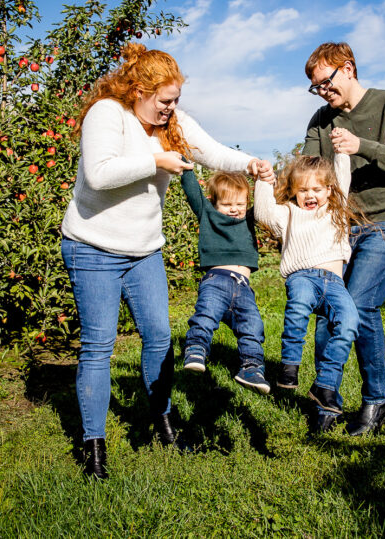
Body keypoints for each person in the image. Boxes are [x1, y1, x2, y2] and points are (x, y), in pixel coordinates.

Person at [60, 42, 273, 480]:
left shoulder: (172, 122)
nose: (171, 109)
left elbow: (213, 152)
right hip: (92, 246)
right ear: (137, 89)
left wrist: (250, 163)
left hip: (144, 250)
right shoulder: (107, 113)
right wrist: (154, 159)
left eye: (176, 100)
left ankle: (164, 423)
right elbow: (99, 173)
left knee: (159, 336)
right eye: (164, 100)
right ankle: (93, 447)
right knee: (99, 345)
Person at [301, 41, 385, 437]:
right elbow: (308, 169)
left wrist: (359, 145)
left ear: (347, 69)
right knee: (326, 306)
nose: (323, 92)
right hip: (338, 227)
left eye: (326, 83)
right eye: (316, 87)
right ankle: (326, 401)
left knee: (362, 304)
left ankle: (376, 400)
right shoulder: (321, 119)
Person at [253, 152, 362, 433]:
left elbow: (344, 178)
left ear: (329, 190)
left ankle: (325, 384)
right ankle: (289, 367)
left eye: (316, 189)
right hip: (302, 276)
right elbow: (262, 213)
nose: (309, 195)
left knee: (350, 323)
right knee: (298, 308)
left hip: (335, 283)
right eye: (302, 190)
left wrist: (342, 154)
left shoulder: (336, 208)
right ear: (293, 192)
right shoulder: (289, 213)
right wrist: (264, 181)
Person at [178, 168, 270, 394]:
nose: (234, 209)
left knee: (252, 326)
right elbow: (193, 193)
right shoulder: (209, 215)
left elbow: (265, 204)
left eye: (240, 204)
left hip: (244, 287)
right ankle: (196, 348)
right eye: (227, 204)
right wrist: (186, 168)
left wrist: (264, 180)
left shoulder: (249, 218)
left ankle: (252, 367)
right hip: (216, 280)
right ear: (214, 203)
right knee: (206, 314)